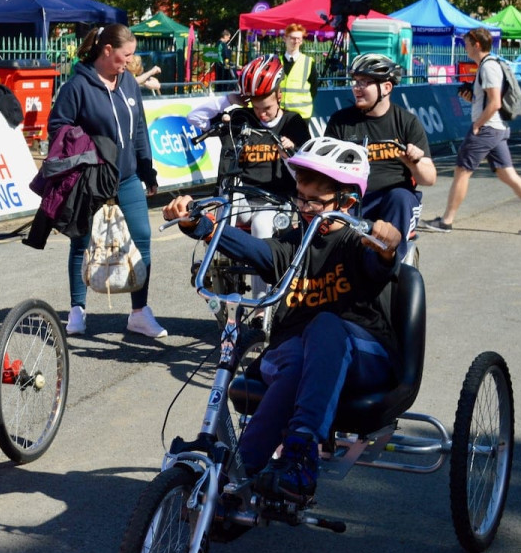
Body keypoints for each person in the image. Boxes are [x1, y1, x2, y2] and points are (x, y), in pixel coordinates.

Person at [161, 137, 401, 505]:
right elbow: (256, 250)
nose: (303, 208)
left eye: (314, 201)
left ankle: (301, 454)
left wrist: (387, 246)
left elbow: (380, 262)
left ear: (347, 202)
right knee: (295, 361)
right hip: (299, 356)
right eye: (300, 198)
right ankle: (235, 481)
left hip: (363, 357)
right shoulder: (293, 244)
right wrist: (201, 225)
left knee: (324, 325)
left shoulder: (359, 243)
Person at [49, 23, 167, 340]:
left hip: (127, 178)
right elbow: (57, 128)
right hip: (90, 180)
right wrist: (89, 149)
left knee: (141, 238)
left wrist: (147, 169)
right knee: (82, 242)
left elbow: (139, 128)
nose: (130, 61)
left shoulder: (127, 82)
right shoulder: (77, 86)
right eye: (125, 55)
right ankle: (77, 310)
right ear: (107, 50)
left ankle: (139, 313)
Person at [421, 28, 521, 236]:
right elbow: (488, 100)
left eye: (467, 44)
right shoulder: (488, 65)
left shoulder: (488, 67)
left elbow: (495, 102)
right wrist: (472, 99)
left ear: (477, 45)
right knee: (507, 174)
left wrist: (477, 125)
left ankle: (446, 221)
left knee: (462, 170)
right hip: (496, 128)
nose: (465, 48)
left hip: (487, 128)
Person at [323, 53, 435, 262]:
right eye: (355, 81)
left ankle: (387, 265)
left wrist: (415, 163)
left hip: (392, 200)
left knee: (400, 197)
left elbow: (429, 178)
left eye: (364, 82)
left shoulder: (407, 122)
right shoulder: (340, 122)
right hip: (352, 199)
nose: (356, 88)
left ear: (386, 87)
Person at [186, 54, 311, 232]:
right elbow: (194, 118)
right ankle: (219, 247)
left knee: (261, 225)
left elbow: (305, 175)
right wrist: (229, 100)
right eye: (256, 108)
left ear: (279, 96)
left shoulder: (292, 122)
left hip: (277, 200)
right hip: (243, 199)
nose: (262, 114)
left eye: (267, 108)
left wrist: (288, 156)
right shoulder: (241, 118)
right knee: (226, 205)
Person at [279, 23, 319, 120]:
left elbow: (314, 88)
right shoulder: (277, 61)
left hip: (302, 114)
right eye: (293, 38)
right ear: (285, 39)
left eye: (299, 39)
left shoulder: (308, 62)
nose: (296, 41)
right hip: (280, 112)